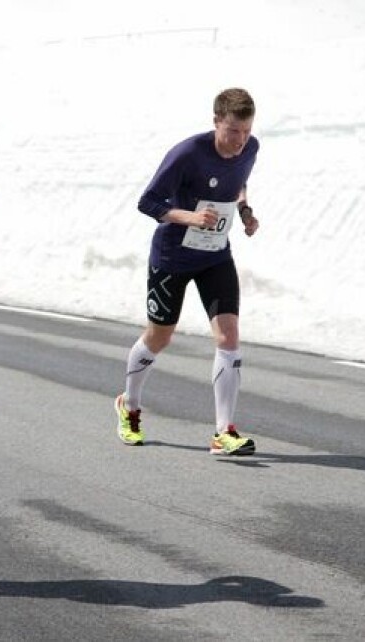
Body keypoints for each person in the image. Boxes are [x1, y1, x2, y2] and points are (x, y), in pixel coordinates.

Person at [114, 87, 260, 456]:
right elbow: (148, 202)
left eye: (246, 131)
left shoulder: (250, 148)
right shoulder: (188, 153)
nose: (240, 140)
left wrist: (245, 212)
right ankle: (129, 405)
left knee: (228, 335)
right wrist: (190, 217)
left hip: (215, 256)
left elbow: (239, 183)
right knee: (159, 337)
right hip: (172, 258)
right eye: (233, 131)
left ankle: (223, 432)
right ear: (216, 122)